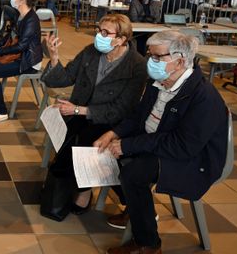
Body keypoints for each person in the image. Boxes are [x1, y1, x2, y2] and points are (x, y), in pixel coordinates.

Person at [96, 31, 227, 254]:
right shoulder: (158, 81)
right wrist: (114, 133)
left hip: (193, 159)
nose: (150, 61)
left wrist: (130, 145)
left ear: (180, 61)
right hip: (158, 142)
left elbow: (182, 145)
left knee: (133, 175)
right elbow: (138, 116)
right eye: (150, 55)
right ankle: (136, 207)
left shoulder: (203, 96)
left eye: (157, 57)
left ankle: (148, 244)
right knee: (107, 150)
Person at [39, 14, 147, 222]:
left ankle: (85, 192)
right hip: (81, 113)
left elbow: (122, 109)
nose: (99, 36)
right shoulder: (91, 52)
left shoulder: (137, 65)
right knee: (69, 144)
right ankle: (73, 191)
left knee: (86, 142)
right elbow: (65, 78)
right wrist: (54, 57)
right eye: (99, 30)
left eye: (106, 33)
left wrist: (78, 110)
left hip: (112, 122)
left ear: (122, 39)